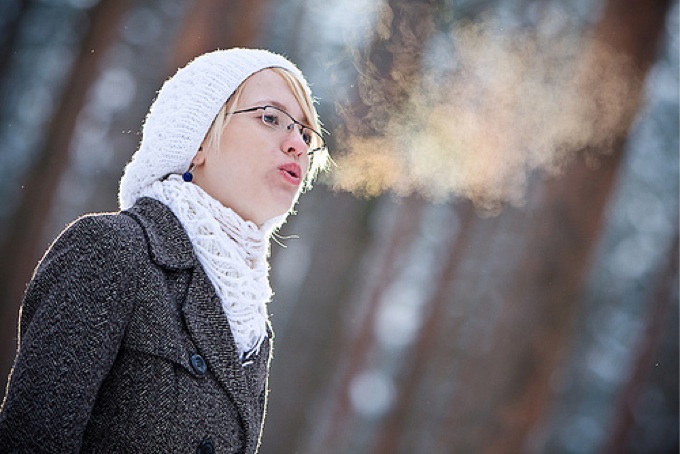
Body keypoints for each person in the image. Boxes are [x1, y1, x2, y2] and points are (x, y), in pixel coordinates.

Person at [0, 48, 329, 453]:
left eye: (306, 135)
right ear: (197, 142)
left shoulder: (252, 327)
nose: (297, 143)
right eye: (270, 118)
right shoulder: (113, 250)